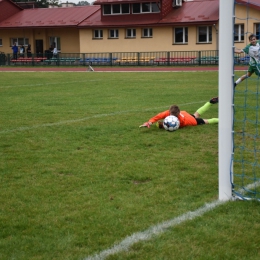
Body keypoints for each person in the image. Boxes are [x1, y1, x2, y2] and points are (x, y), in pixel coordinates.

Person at [139, 97, 219, 129]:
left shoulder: (180, 122)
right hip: (185, 114)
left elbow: (172, 127)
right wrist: (149, 122)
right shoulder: (168, 113)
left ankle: (222, 120)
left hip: (191, 121)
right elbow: (157, 117)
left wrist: (162, 125)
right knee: (196, 114)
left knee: (206, 121)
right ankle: (210, 102)